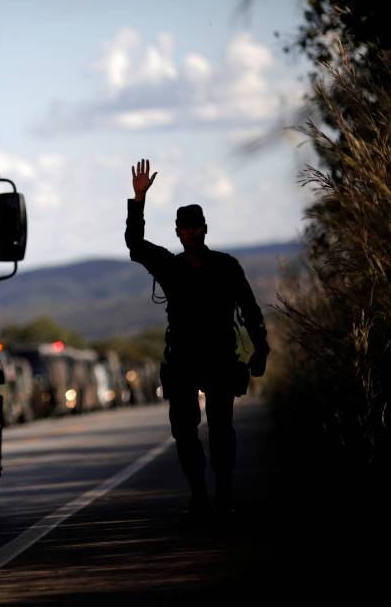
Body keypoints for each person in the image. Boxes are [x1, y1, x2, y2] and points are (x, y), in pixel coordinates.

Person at [124, 158, 269, 524]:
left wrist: (260, 349)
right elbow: (135, 243)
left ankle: (224, 498)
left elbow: (250, 310)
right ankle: (200, 498)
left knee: (222, 431)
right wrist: (138, 199)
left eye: (196, 228)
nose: (190, 233)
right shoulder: (170, 267)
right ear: (178, 233)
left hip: (220, 357)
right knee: (185, 433)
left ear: (205, 229)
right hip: (184, 360)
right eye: (185, 229)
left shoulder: (226, 266)